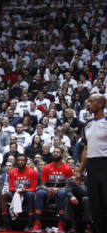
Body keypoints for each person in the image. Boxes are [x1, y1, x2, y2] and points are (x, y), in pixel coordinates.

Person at [77, 94, 107, 233]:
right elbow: (85, 148)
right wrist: (80, 170)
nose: (88, 104)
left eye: (92, 101)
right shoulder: (87, 124)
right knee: (95, 202)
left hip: (105, 162)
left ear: (101, 104)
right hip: (92, 165)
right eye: (88, 101)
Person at [32, 147, 73, 233]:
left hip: (61, 191)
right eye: (54, 152)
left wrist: (58, 189)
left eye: (57, 152)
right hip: (49, 191)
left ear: (62, 155)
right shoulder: (47, 167)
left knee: (62, 193)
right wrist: (49, 188)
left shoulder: (67, 168)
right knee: (39, 193)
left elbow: (69, 186)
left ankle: (61, 223)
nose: (55, 153)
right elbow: (42, 185)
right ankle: (37, 223)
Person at [0, 154, 39, 231]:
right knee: (3, 194)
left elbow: (33, 188)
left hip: (27, 194)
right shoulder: (12, 172)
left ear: (26, 162)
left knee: (30, 194)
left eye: (22, 160)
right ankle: (5, 222)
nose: (20, 162)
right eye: (18, 160)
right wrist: (19, 190)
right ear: (16, 162)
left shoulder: (33, 172)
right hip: (15, 193)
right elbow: (11, 188)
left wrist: (24, 190)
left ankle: (30, 223)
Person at [65, 167, 92, 233]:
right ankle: (72, 224)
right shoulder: (70, 180)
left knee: (86, 198)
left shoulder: (88, 179)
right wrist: (71, 197)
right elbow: (68, 191)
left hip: (84, 203)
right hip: (74, 203)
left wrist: (76, 185)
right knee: (67, 199)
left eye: (77, 172)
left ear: (83, 172)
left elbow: (86, 193)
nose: (75, 173)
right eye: (74, 171)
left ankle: (89, 224)